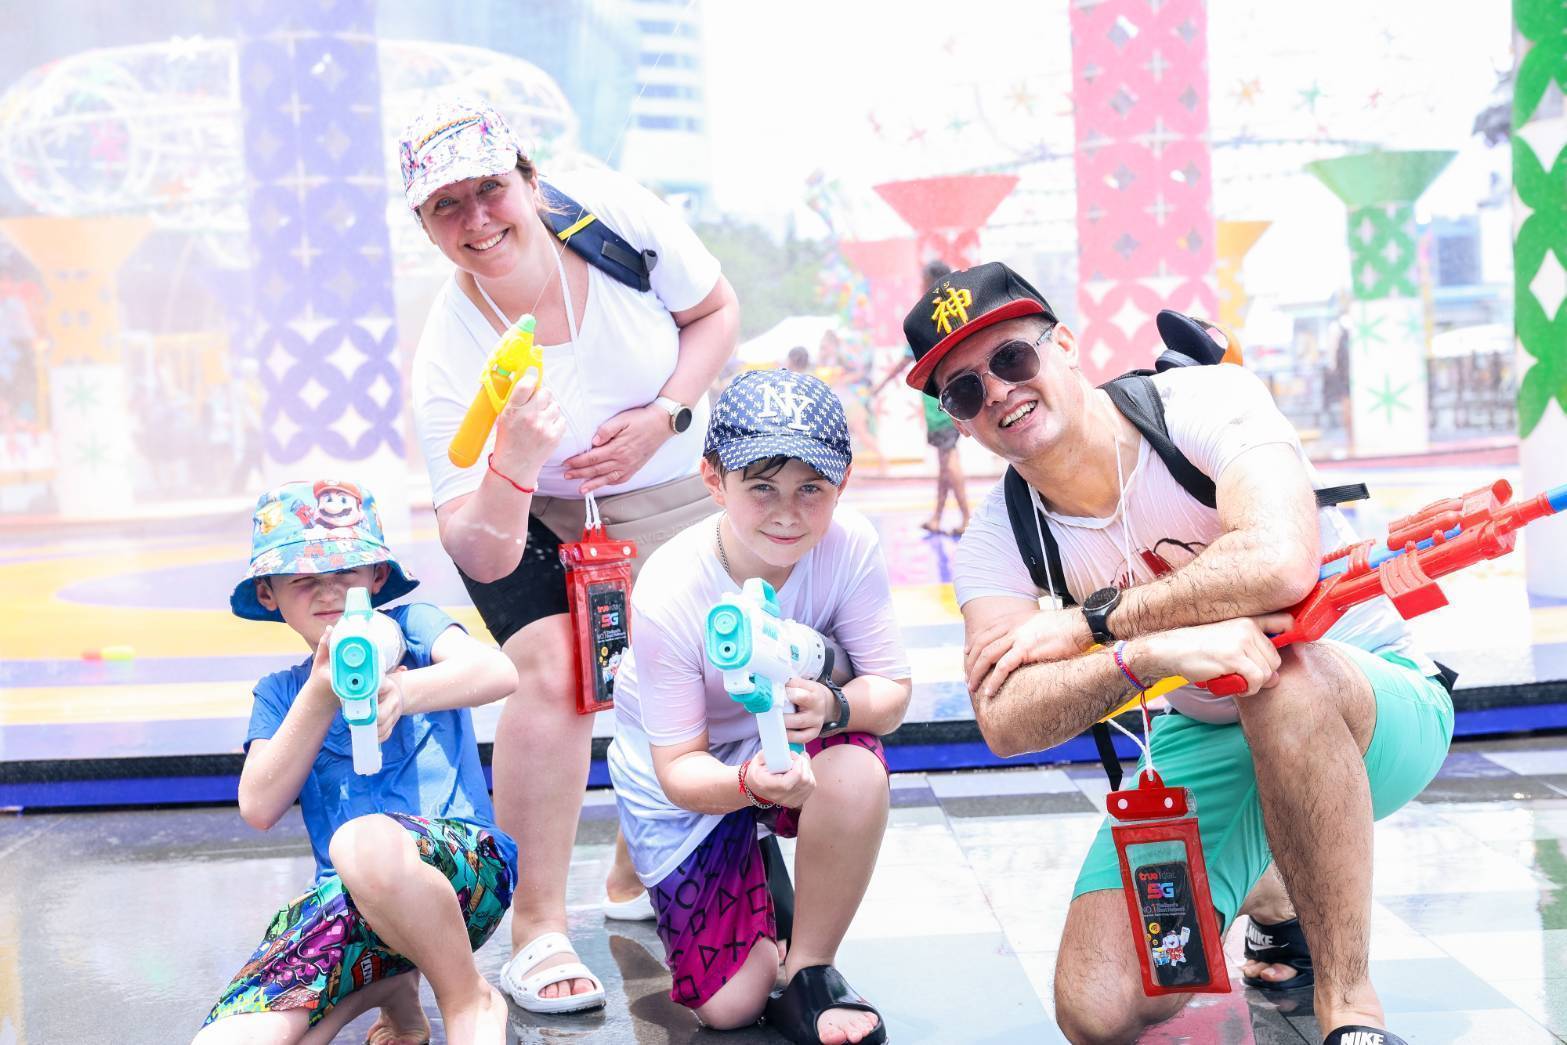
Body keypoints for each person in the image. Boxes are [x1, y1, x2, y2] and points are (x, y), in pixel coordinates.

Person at [899, 263, 1453, 1045]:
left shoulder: (1201, 402)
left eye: (1011, 358)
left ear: (1064, 345)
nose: (996, 392)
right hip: (1206, 731)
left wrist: (1093, 622)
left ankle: (1351, 1010)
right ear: (958, 421)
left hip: (1371, 704)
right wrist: (1149, 652)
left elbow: (1277, 562)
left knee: (1281, 679)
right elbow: (1004, 717)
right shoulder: (999, 536)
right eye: (962, 390)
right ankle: (1277, 890)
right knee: (1096, 1006)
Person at [400, 97, 740, 1011]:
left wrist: (664, 413)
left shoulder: (610, 217)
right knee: (548, 670)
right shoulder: (450, 351)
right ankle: (537, 930)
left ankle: (637, 870)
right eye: (445, 206)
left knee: (710, 660)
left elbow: (714, 311)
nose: (476, 219)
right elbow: (474, 544)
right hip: (528, 513)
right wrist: (513, 462)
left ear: (529, 179)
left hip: (666, 478)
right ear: (426, 227)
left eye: (489, 188)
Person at [608, 370, 911, 1044]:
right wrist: (750, 784)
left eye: (811, 488)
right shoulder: (670, 589)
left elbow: (890, 695)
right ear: (713, 479)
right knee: (730, 1006)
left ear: (842, 483)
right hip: (688, 771)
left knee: (856, 766)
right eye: (762, 486)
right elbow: (678, 769)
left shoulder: (850, 545)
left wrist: (832, 704)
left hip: (784, 742)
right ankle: (749, 871)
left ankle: (810, 969)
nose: (787, 512)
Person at [195, 480, 520, 1044]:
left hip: (466, 875)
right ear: (269, 594)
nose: (328, 590)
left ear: (376, 577)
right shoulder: (281, 694)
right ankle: (391, 991)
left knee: (361, 843)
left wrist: (405, 692)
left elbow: (499, 672)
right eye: (303, 578)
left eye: (346, 572)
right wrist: (321, 691)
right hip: (348, 905)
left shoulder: (415, 628)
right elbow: (258, 805)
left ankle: (467, 1000)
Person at [872, 259, 971, 536]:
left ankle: (966, 517)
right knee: (945, 458)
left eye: (922, 281)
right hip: (955, 392)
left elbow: (906, 358)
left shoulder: (929, 313)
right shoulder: (957, 308)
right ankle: (938, 516)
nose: (920, 286)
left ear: (931, 282)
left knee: (948, 457)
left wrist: (880, 386)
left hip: (939, 397)